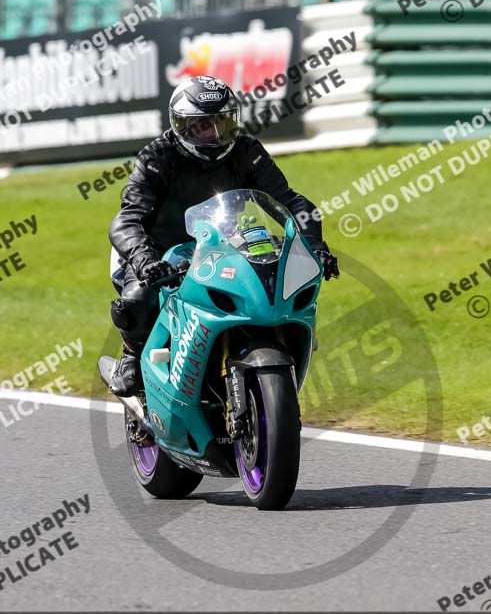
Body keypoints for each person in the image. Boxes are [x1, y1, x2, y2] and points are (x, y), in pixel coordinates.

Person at [108, 75, 339, 397]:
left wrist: (315, 247)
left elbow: (290, 201)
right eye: (203, 125)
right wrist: (145, 259)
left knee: (269, 276)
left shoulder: (247, 150)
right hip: (159, 249)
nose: (215, 134)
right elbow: (128, 218)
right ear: (182, 126)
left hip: (221, 240)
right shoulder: (156, 158)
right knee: (138, 299)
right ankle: (132, 356)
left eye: (222, 123)